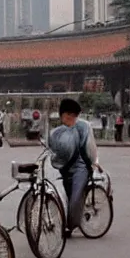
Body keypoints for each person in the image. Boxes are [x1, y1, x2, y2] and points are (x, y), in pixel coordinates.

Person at [49, 99, 99, 238]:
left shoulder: (84, 126)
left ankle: (69, 227)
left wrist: (93, 162)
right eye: (67, 116)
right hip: (65, 169)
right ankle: (72, 218)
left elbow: (90, 147)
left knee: (75, 197)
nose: (70, 119)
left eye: (73, 116)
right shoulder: (58, 131)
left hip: (81, 167)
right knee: (65, 196)